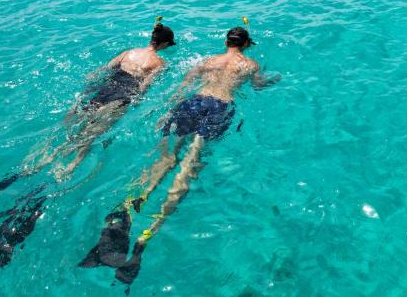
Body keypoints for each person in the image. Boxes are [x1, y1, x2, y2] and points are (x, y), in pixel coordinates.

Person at [0, 17, 176, 275]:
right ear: (166, 44)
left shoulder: (128, 52)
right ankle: (69, 168)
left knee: (68, 128)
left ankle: (44, 157)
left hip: (104, 88)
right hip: (122, 95)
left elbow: (99, 72)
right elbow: (143, 89)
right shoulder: (160, 63)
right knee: (90, 136)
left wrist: (89, 88)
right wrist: (136, 103)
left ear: (151, 38)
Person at [79, 26, 280, 284]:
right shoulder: (250, 64)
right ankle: (147, 234)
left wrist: (168, 109)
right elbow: (259, 86)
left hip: (193, 102)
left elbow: (185, 83)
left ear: (225, 41)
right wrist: (273, 78)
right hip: (220, 106)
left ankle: (128, 210)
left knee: (166, 159)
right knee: (189, 166)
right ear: (246, 44)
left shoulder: (210, 61)